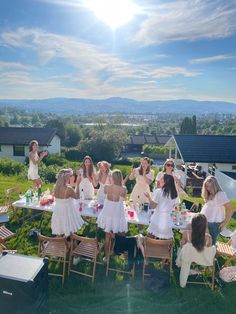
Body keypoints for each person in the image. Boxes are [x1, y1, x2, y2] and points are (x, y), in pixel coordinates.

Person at [97, 170, 128, 260]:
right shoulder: (124, 189)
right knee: (115, 234)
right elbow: (124, 198)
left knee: (107, 236)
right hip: (117, 215)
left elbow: (107, 191)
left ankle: (106, 257)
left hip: (108, 214)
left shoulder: (106, 187)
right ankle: (113, 252)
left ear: (112, 177)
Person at [200, 176, 234, 245]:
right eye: (206, 186)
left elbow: (230, 209)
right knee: (203, 242)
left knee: (210, 243)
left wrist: (225, 223)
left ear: (215, 186)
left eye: (210, 186)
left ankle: (212, 255)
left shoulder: (220, 194)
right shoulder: (209, 194)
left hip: (214, 224)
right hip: (204, 221)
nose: (208, 189)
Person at [145, 174, 179, 239]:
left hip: (157, 217)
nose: (159, 180)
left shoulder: (159, 191)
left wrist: (149, 197)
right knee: (165, 239)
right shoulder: (174, 193)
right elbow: (175, 206)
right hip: (167, 218)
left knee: (150, 238)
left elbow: (153, 206)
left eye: (161, 178)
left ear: (165, 181)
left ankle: (149, 248)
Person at [51, 168, 84, 236]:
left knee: (60, 226)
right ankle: (71, 242)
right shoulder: (68, 189)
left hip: (58, 211)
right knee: (70, 227)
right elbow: (77, 197)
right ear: (66, 178)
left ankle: (60, 241)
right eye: (69, 177)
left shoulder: (55, 187)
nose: (70, 178)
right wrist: (78, 184)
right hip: (67, 212)